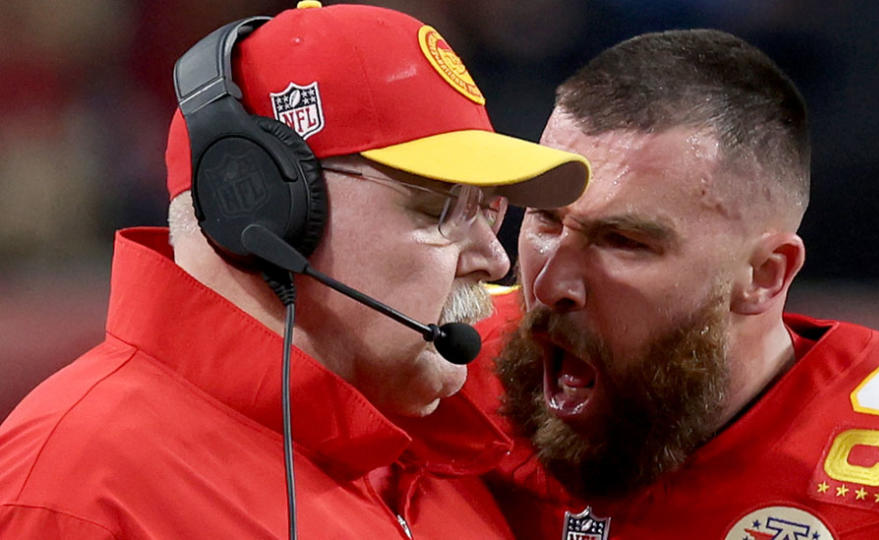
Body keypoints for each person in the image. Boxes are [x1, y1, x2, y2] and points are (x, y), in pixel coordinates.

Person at [0, 3, 590, 538]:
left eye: (488, 209)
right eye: (440, 207)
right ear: (262, 207)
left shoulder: (439, 459)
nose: (496, 257)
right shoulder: (75, 491)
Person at [464, 29, 879, 539]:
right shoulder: (433, 372)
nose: (549, 285)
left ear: (765, 275)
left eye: (622, 241)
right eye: (546, 221)